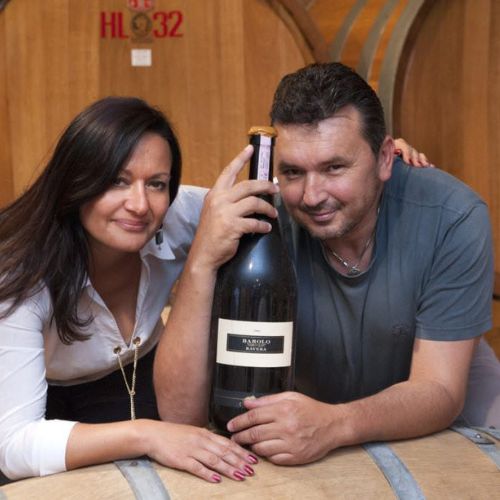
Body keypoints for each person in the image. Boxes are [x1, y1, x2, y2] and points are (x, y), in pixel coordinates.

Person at [154, 62, 500, 467]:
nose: (312, 195)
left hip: (441, 426)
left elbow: (440, 389)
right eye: (293, 172)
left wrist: (336, 424)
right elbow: (180, 416)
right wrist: (201, 259)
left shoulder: (451, 216)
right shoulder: (259, 220)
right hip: (314, 427)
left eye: (334, 167)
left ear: (384, 158)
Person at [0, 96, 262, 482]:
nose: (140, 205)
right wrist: (148, 435)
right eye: (117, 181)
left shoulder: (181, 214)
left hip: (140, 376)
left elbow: (280, 218)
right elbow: (14, 446)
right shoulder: (20, 275)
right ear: (75, 181)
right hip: (41, 399)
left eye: (156, 184)